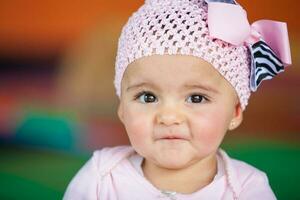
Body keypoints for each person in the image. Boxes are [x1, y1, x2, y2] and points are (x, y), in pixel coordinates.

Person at [63, 0, 292, 199]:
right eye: (148, 96)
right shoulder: (100, 178)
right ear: (122, 108)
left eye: (196, 98)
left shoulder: (246, 189)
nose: (168, 117)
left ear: (234, 112)